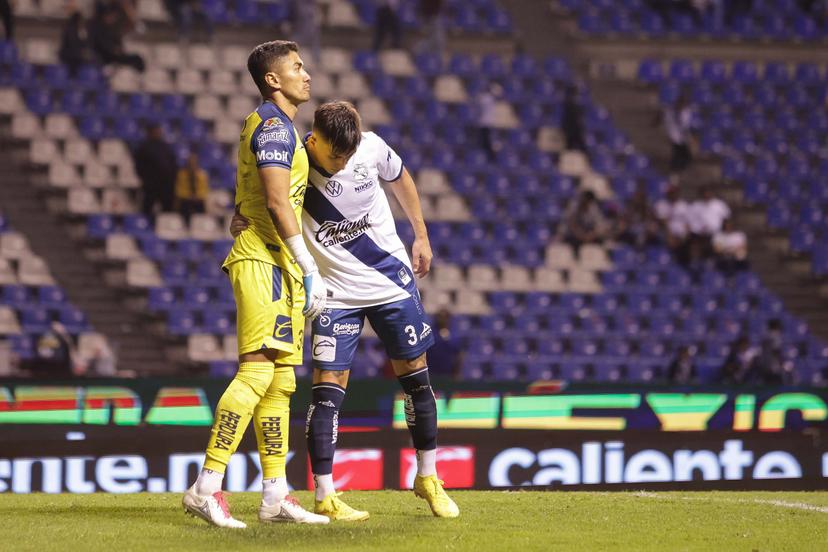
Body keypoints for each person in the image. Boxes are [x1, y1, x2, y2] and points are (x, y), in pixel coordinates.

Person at [231, 100, 460, 520]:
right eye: (336, 156)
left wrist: (421, 234)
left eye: (348, 156)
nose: (343, 163)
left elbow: (401, 176)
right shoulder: (294, 162)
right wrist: (241, 215)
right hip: (333, 292)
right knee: (327, 390)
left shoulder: (370, 147)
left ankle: (428, 476)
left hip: (390, 281)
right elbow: (265, 195)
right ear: (314, 140)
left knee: (416, 378)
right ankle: (325, 494)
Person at [182, 40, 329, 528]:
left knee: (282, 383)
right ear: (273, 79)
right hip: (265, 261)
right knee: (256, 374)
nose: (306, 75)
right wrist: (309, 265)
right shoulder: (272, 127)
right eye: (297, 67)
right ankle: (206, 487)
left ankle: (274, 495)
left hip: (277, 263)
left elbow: (254, 194)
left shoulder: (278, 126)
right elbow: (275, 199)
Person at [133, 123, 177, 219]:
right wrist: (146, 179)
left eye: (159, 131)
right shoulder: (143, 147)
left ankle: (165, 227)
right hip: (150, 185)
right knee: (147, 208)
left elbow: (173, 164)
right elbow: (139, 166)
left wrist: (172, 179)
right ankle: (144, 227)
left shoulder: (165, 147)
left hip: (166, 185)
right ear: (150, 132)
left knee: (167, 209)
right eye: (155, 131)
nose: (158, 133)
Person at [89, 2, 145, 72]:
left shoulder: (112, 29)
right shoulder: (97, 28)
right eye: (110, 15)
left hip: (115, 56)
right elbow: (102, 45)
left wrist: (118, 49)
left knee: (137, 58)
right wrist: (114, 49)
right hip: (105, 57)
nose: (112, 18)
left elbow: (118, 42)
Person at [559, 189, 610, 254]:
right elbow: (572, 225)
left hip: (587, 234)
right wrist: (582, 236)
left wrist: (590, 236)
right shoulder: (573, 206)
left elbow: (599, 226)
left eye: (587, 201)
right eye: (583, 199)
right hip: (572, 235)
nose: (584, 202)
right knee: (573, 243)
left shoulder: (593, 208)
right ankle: (576, 260)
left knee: (601, 241)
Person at [427, 308, 463, 380]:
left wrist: (457, 372)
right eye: (440, 317)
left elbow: (458, 355)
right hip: (431, 374)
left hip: (449, 375)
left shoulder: (454, 335)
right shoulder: (429, 333)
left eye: (445, 317)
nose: (442, 319)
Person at [174, 152, 209, 222]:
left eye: (194, 163)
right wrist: (189, 196)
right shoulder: (181, 175)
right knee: (183, 205)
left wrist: (196, 196)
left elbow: (204, 191)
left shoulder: (202, 175)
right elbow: (179, 191)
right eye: (190, 163)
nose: (192, 165)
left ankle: (200, 223)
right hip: (185, 200)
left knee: (201, 205)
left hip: (198, 201)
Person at [59, 11, 95, 76]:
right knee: (82, 59)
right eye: (81, 20)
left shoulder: (82, 30)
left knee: (93, 58)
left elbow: (85, 43)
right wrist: (82, 52)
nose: (82, 22)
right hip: (69, 54)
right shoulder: (70, 29)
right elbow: (72, 45)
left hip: (77, 54)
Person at [561, 84, 586, 152]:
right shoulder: (569, 105)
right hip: (571, 131)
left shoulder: (575, 105)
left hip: (575, 131)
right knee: (571, 148)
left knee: (580, 149)